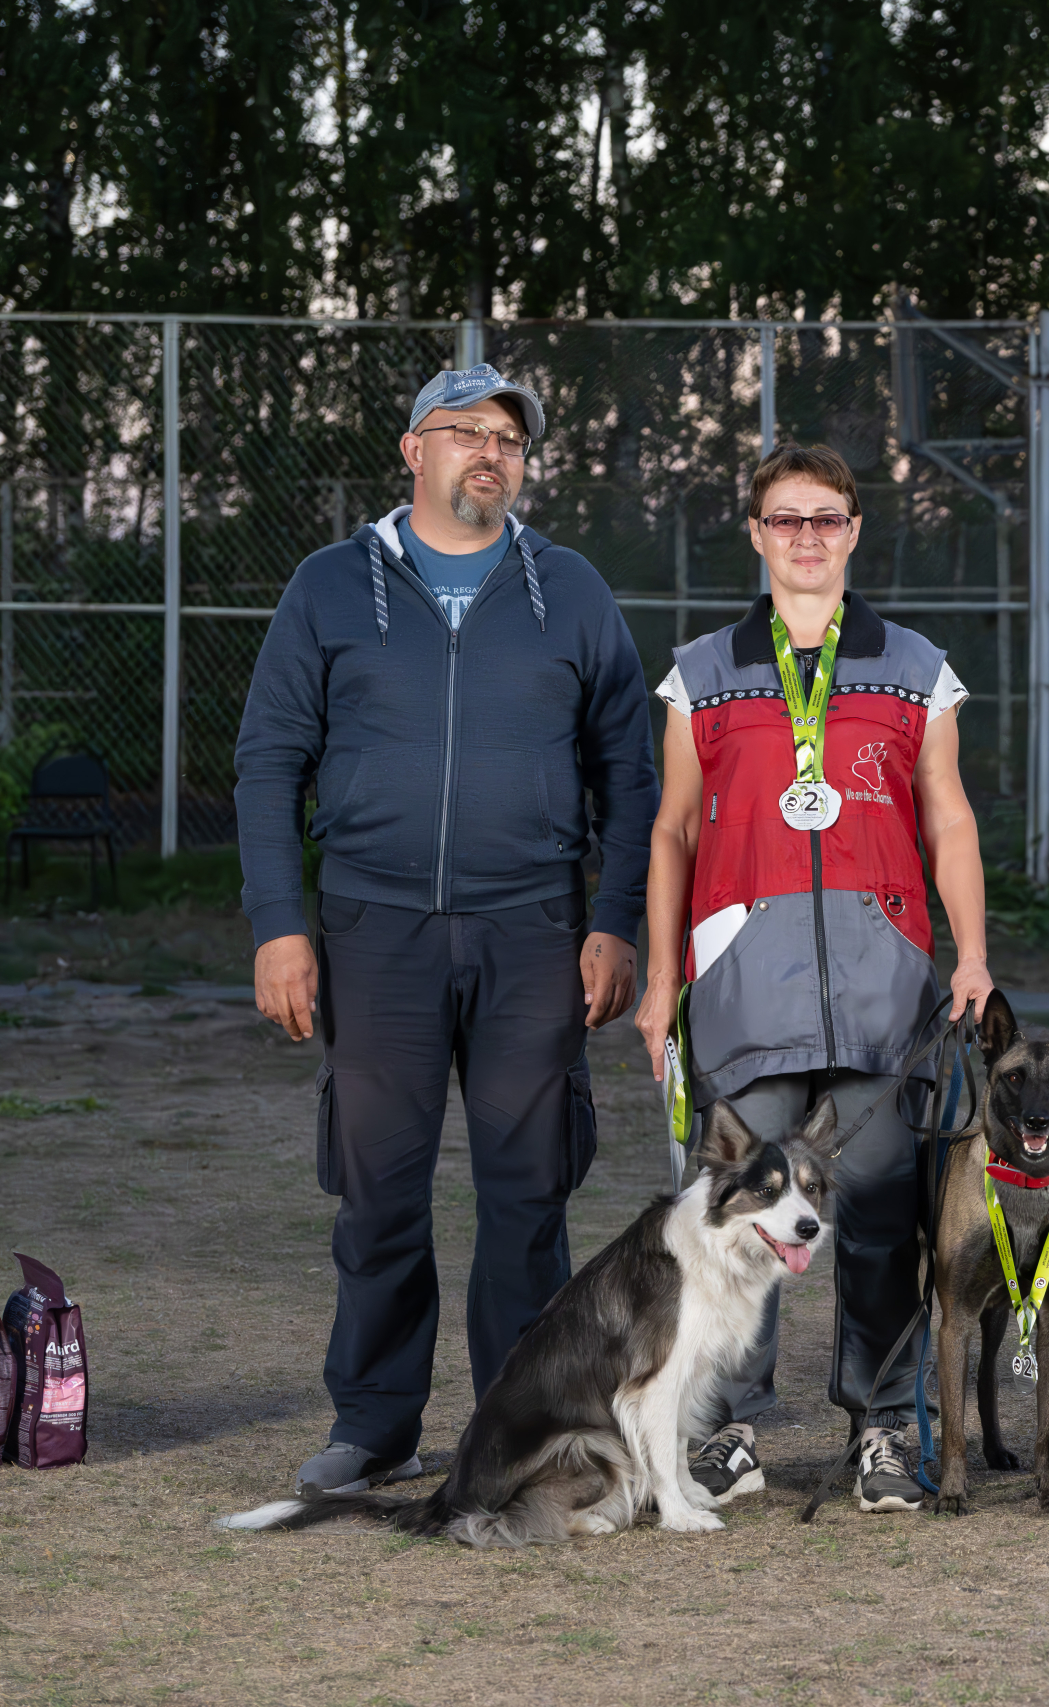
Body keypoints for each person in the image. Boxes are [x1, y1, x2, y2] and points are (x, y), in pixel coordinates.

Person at [235, 363, 659, 1498]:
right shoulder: (329, 587)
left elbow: (628, 770)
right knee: (379, 1191)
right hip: (375, 934)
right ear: (412, 450)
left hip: (534, 933)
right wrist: (282, 925)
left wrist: (614, 921)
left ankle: (523, 1433)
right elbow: (269, 760)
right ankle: (375, 1423)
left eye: (511, 438)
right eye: (466, 429)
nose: (491, 450)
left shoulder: (569, 590)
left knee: (529, 1196)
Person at [636, 443, 992, 1514]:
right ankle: (727, 1427)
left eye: (825, 518)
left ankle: (883, 1429)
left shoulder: (916, 664)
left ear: (852, 531)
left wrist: (970, 954)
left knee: (880, 1213)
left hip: (885, 996)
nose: (805, 536)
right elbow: (671, 830)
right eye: (785, 519)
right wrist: (661, 985)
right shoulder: (699, 668)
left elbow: (949, 815)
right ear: (754, 533)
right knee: (738, 1216)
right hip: (744, 991)